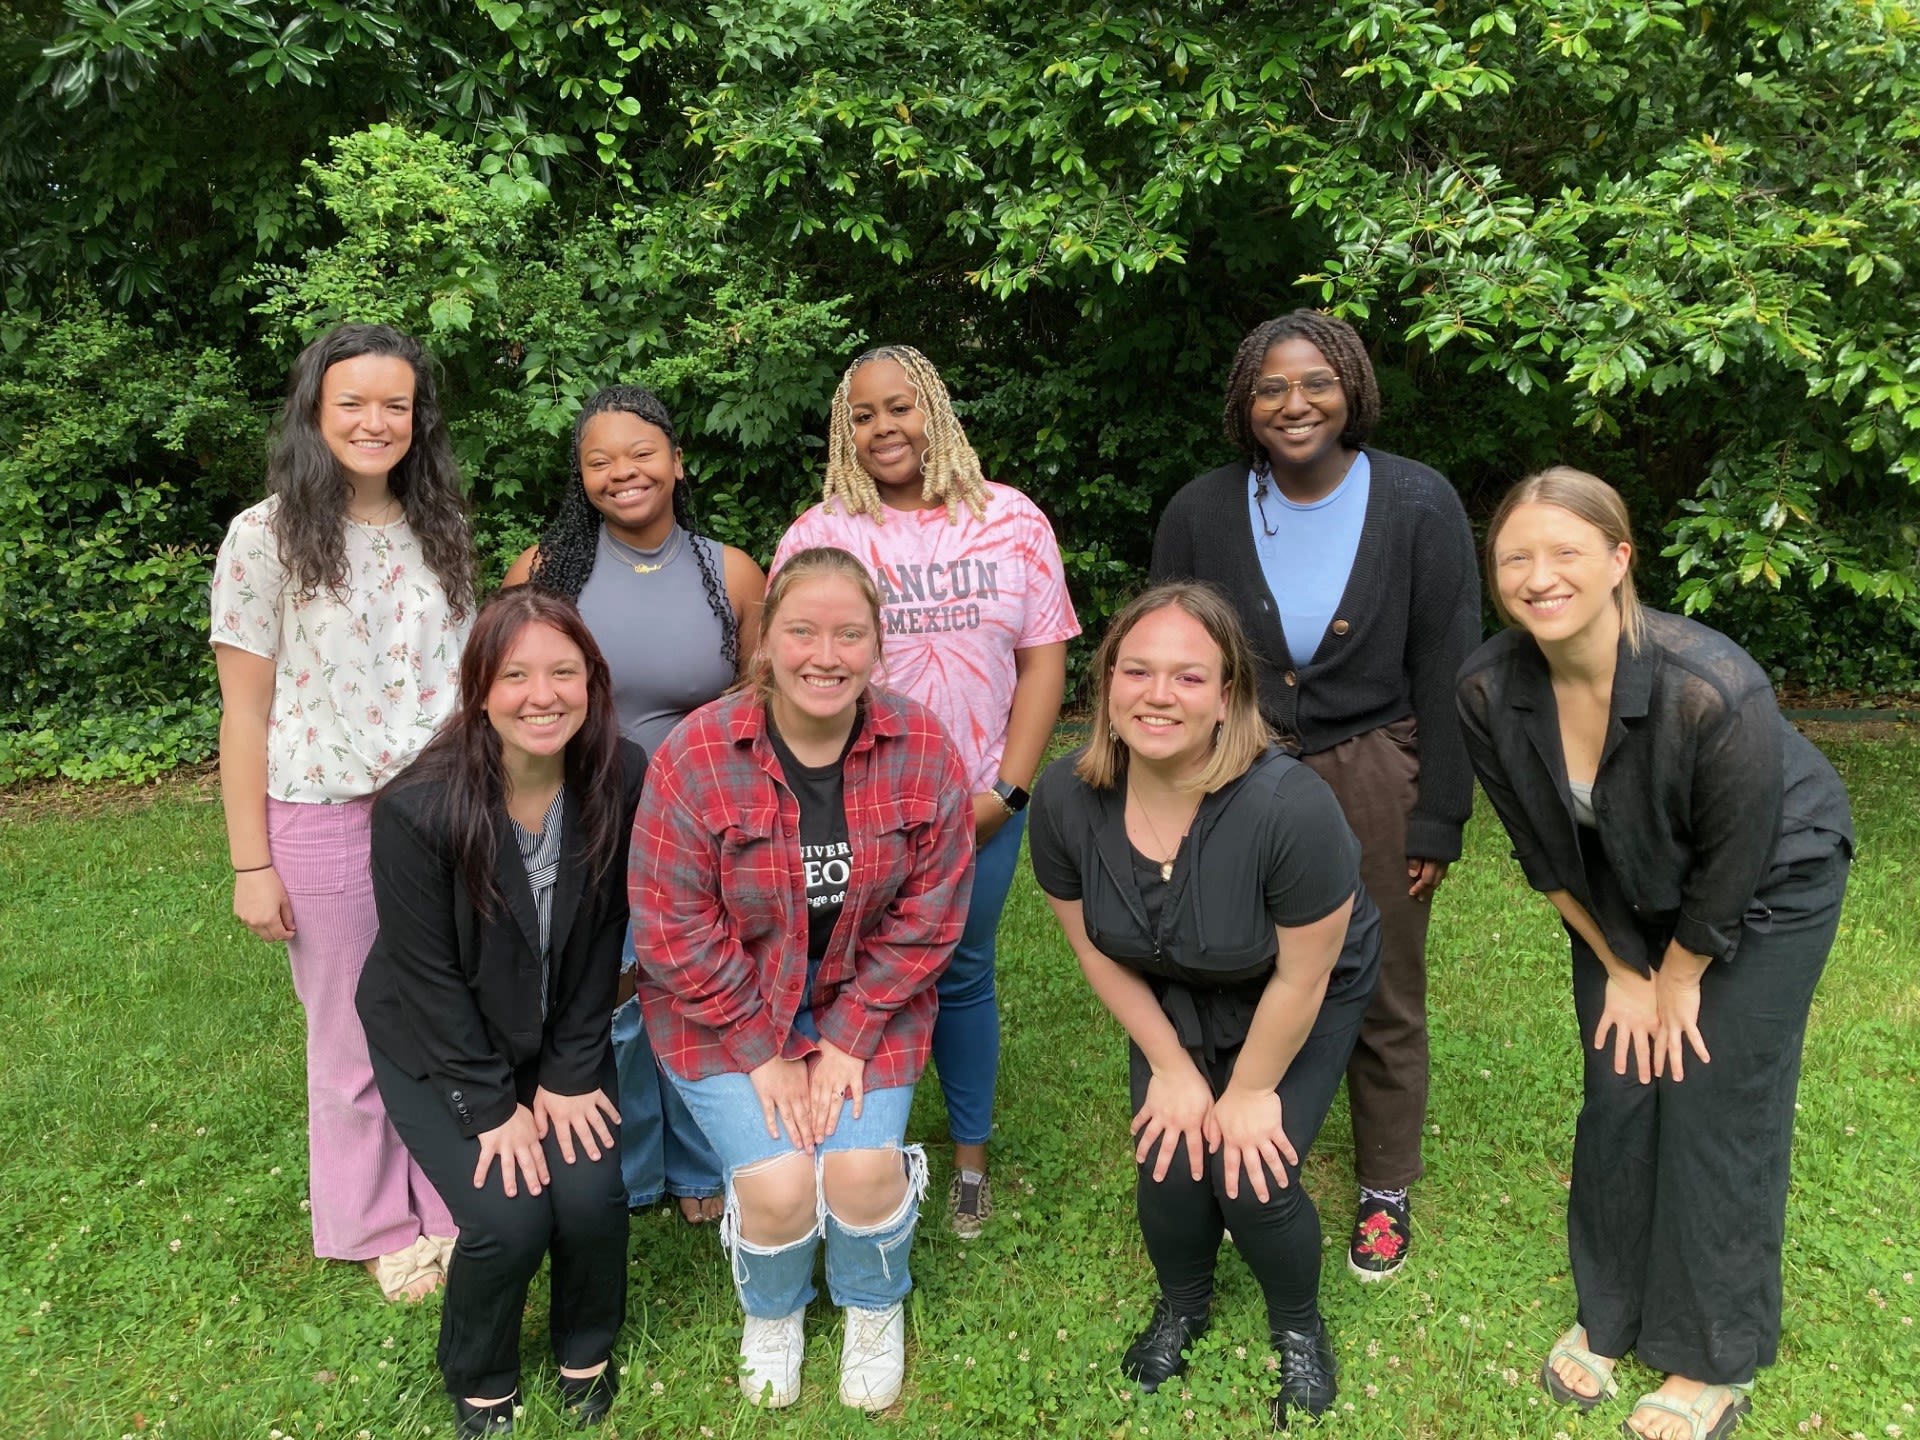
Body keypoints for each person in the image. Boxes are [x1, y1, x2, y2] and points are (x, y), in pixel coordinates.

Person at [1457, 467, 1852, 1440]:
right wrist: (1624, 971)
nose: (1538, 576)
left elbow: (1733, 866)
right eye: (1516, 558)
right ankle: (1611, 1311)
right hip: (1617, 895)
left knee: (1713, 1093)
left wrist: (1678, 980)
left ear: (1620, 560)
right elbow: (1544, 854)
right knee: (1621, 1085)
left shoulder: (1713, 687)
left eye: (1565, 553)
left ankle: (1709, 1356)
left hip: (1767, 886)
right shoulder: (1485, 689)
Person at [1150, 310, 1477, 1280]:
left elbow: (1447, 663)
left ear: (1353, 392)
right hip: (1233, 772)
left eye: (1316, 383)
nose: (1294, 404)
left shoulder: (1419, 503)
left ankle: (1384, 1185)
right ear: (1244, 407)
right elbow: (1166, 662)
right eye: (1271, 388)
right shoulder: (1199, 512)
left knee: (1381, 985)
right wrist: (1165, 793)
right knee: (1232, 967)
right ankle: (1239, 1147)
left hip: (1375, 769)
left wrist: (1439, 815)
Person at [1027, 583, 1382, 1425]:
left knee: (1250, 1172)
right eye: (1137, 671)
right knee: (1171, 1157)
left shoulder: (1290, 807)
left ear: (1227, 698)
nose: (1158, 694)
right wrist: (1172, 1066)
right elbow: (1090, 947)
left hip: (1292, 986)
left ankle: (1298, 1328)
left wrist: (1251, 1092)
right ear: (1107, 684)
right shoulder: (1064, 802)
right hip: (1166, 981)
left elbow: (1303, 975)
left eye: (1188, 678)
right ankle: (1183, 1304)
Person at [630, 546, 974, 1411]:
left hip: (870, 1000)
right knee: (782, 1183)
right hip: (720, 1010)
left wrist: (850, 1036)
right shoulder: (697, 754)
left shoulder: (921, 746)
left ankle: (871, 1304)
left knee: (858, 1175)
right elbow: (671, 927)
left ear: (876, 646)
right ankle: (774, 1311)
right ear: (765, 643)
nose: (826, 654)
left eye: (849, 633)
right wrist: (764, 1051)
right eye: (803, 632)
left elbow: (931, 915)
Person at [771, 344, 1077, 1239]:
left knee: (964, 973)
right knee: (847, 974)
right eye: (861, 416)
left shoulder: (1011, 520)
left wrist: (1009, 795)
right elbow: (792, 669)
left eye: (899, 407)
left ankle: (970, 1159)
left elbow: (1044, 657)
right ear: (843, 431)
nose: (882, 429)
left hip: (982, 805)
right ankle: (846, 1151)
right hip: (854, 807)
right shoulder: (821, 535)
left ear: (934, 410)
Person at [210, 322, 475, 1302]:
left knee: (450, 1014)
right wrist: (251, 863)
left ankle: (451, 1199)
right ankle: (376, 1223)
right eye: (352, 402)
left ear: (419, 418)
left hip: (443, 816)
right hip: (322, 816)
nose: (375, 421)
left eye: (395, 404)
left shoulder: (438, 527)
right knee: (353, 1033)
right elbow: (243, 710)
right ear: (316, 412)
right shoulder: (265, 538)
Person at [357, 587, 643, 1435]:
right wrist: (489, 1108)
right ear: (480, 688)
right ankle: (478, 1368)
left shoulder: (620, 774)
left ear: (592, 681)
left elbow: (604, 938)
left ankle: (584, 1346)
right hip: (439, 1044)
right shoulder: (417, 808)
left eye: (564, 671)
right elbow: (427, 977)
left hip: (555, 1035)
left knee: (591, 1197)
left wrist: (568, 1072)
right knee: (510, 1218)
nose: (542, 694)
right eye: (516, 674)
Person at [504, 383, 765, 1226]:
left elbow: (760, 704)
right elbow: (509, 699)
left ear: (678, 462)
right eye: (599, 461)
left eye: (642, 452)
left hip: (703, 823)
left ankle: (700, 1169)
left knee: (697, 985)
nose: (624, 473)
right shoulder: (543, 575)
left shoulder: (731, 573)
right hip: (587, 818)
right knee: (608, 992)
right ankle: (631, 1166)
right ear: (581, 479)